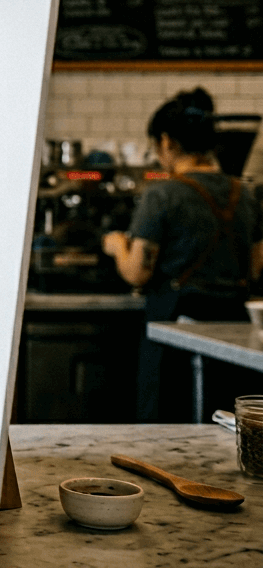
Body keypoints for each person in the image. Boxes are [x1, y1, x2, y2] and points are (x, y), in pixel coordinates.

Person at [102, 87, 263, 422]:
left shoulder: (162, 195)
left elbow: (137, 273)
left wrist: (117, 244)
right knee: (223, 426)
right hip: (233, 336)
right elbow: (256, 266)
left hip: (173, 332)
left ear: (167, 142)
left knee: (167, 430)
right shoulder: (245, 194)